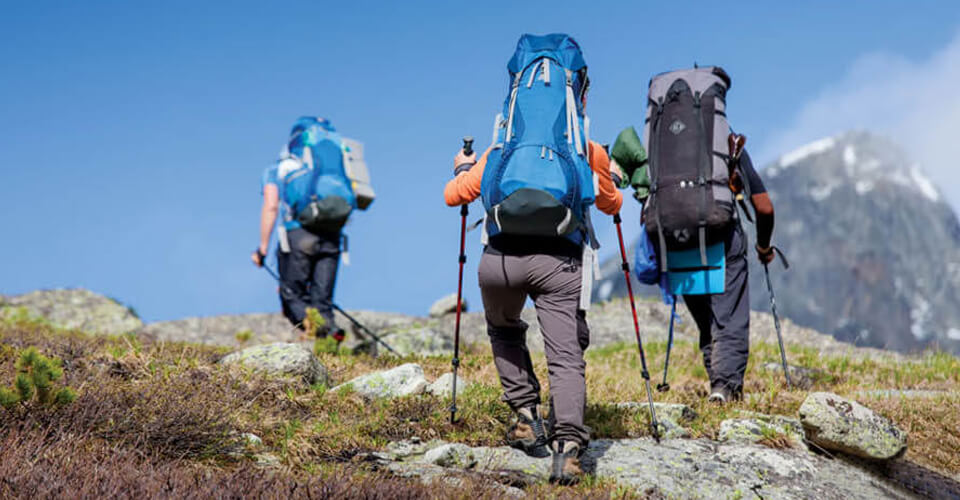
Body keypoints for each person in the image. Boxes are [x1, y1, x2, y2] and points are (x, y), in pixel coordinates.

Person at [444, 34, 622, 485]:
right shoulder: (586, 148)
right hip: (558, 262)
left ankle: (525, 416)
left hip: (500, 261)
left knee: (504, 329)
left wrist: (464, 170)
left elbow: (453, 196)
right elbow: (611, 205)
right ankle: (567, 449)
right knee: (565, 355)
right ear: (578, 92)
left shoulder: (500, 148)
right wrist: (611, 177)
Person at [683, 149, 775, 403]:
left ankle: (718, 385)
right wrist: (764, 247)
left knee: (706, 320)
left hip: (677, 238)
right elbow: (764, 208)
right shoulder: (726, 143)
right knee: (728, 316)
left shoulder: (665, 140)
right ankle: (725, 389)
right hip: (721, 234)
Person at [252, 117, 345, 342]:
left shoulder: (278, 168)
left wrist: (263, 248)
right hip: (332, 234)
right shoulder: (331, 166)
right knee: (322, 301)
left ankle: (318, 335)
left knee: (291, 294)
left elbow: (271, 206)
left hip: (298, 234)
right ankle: (330, 336)